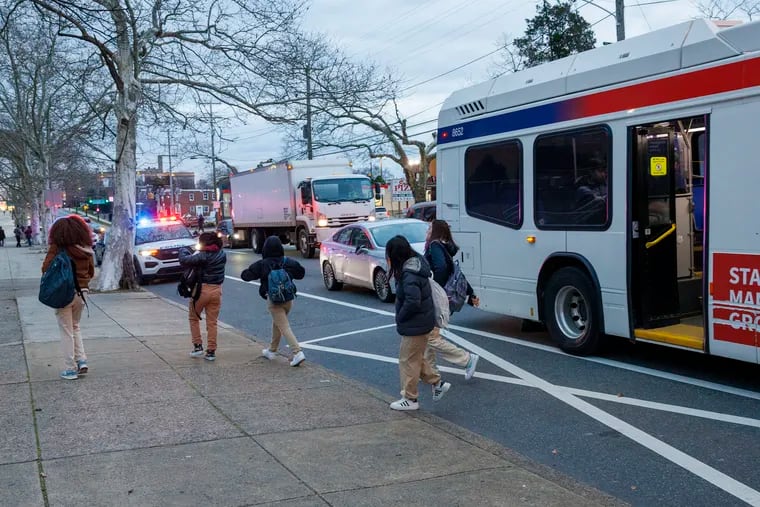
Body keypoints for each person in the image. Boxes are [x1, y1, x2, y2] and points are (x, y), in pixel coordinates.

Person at [386, 235, 450, 411]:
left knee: (407, 360)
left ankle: (410, 398)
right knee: (416, 358)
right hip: (422, 322)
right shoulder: (416, 266)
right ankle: (437, 383)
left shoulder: (408, 274)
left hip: (415, 324)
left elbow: (413, 301)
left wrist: (401, 317)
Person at [424, 219, 480, 381]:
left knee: (431, 336)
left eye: (429, 227)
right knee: (429, 335)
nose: (427, 230)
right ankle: (429, 373)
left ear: (435, 231)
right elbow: (455, 274)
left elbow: (442, 269)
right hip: (442, 299)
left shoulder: (434, 245)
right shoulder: (444, 247)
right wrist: (471, 294)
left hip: (437, 299)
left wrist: (436, 290)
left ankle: (467, 359)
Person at [41, 215, 95, 380]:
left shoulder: (58, 248)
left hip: (64, 292)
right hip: (82, 292)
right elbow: (91, 272)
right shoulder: (86, 249)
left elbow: (45, 268)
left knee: (66, 331)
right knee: (75, 326)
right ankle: (82, 360)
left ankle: (70, 368)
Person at [241, 236, 306, 366]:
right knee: (278, 323)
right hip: (288, 299)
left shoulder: (262, 264)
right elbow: (301, 273)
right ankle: (272, 350)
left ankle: (297, 352)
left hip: (274, 300)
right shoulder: (287, 261)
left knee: (284, 327)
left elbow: (245, 275)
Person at [179, 232, 227, 361]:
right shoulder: (222, 254)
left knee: (193, 318)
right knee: (212, 322)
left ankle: (197, 346)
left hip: (202, 290)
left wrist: (183, 249)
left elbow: (184, 260)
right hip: (217, 290)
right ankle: (211, 351)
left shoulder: (203, 256)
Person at [574, 159, 608, 224]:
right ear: (591, 171)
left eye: (605, 171)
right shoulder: (582, 188)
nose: (604, 174)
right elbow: (597, 202)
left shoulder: (605, 184)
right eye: (600, 171)